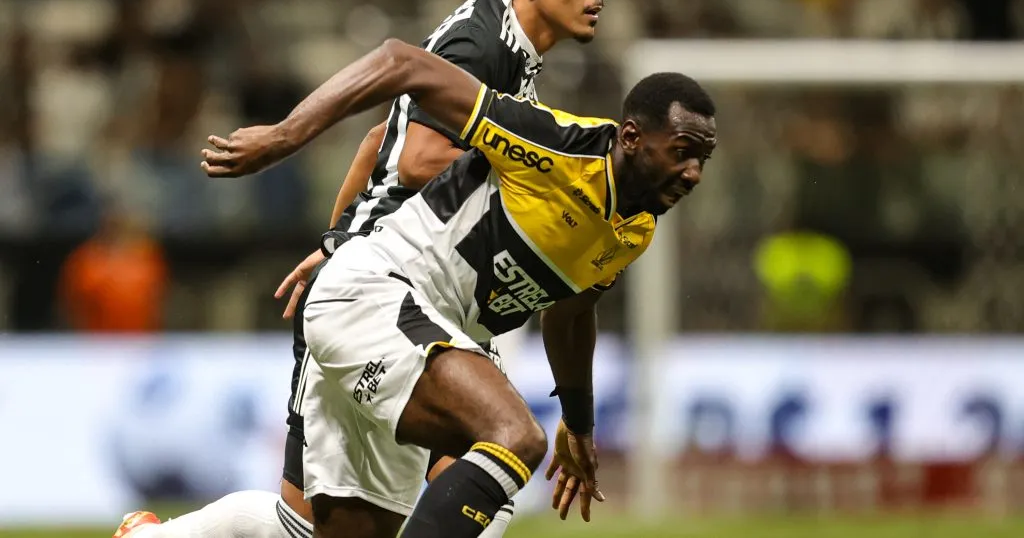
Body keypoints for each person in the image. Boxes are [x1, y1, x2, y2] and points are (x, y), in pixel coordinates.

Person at [114, 0, 607, 538]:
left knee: (337, 520)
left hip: (399, 285)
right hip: (388, 299)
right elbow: (418, 157)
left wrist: (337, 237)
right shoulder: (486, 42)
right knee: (481, 479)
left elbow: (384, 139)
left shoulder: (509, 53)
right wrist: (535, 170)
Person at [201, 38, 717, 538]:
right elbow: (402, 62)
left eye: (703, 159)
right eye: (682, 152)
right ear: (631, 138)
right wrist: (284, 137)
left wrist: (579, 424)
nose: (693, 174)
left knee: (319, 531)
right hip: (374, 294)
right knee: (512, 438)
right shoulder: (554, 146)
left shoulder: (636, 229)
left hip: (415, 333)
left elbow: (571, 314)